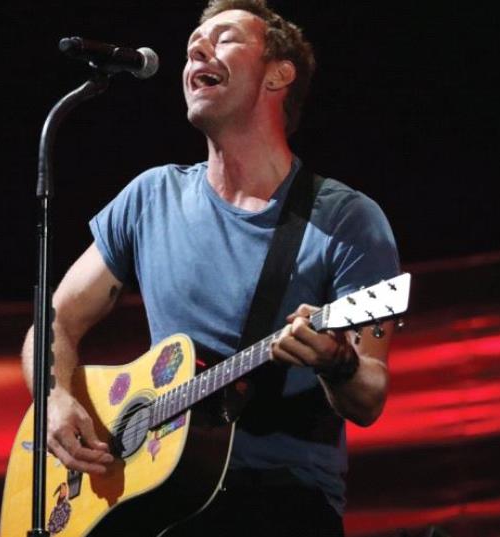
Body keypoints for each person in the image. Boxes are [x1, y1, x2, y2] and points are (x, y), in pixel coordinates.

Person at [21, 1, 400, 535]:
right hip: (154, 501)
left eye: (224, 39)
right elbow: (54, 321)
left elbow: (369, 397)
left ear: (278, 74)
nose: (198, 48)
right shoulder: (151, 197)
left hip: (282, 499)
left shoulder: (346, 219)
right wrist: (55, 399)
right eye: (193, 44)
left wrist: (336, 362)